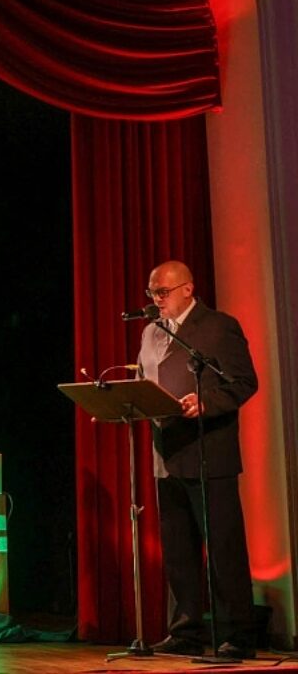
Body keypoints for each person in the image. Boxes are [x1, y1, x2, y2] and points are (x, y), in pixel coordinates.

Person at [137, 260, 259, 660]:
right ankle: (185, 631)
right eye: (152, 293)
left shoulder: (218, 326)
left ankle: (237, 634)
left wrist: (206, 403)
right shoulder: (150, 332)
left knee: (223, 550)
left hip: (209, 454)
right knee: (178, 551)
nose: (157, 300)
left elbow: (244, 382)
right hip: (166, 455)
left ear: (187, 289)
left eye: (163, 292)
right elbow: (143, 381)